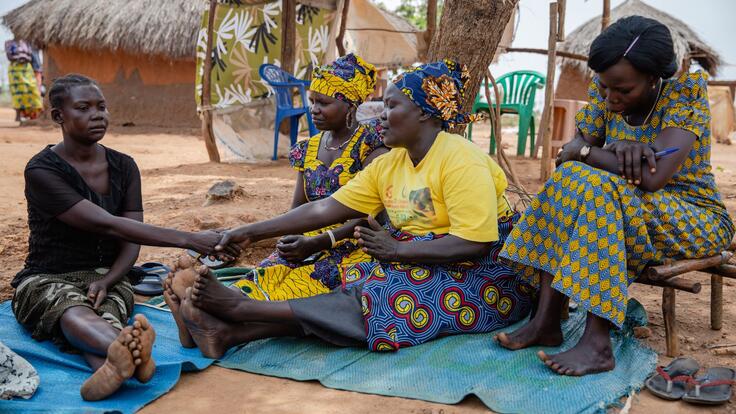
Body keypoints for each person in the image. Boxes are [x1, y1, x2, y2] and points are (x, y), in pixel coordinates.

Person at [162, 60, 532, 358]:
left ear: (425, 113)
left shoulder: (459, 159)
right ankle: (226, 334)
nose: (380, 116)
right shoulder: (390, 164)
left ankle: (242, 312)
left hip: (488, 273)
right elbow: (325, 208)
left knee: (387, 296)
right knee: (353, 280)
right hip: (424, 258)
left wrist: (398, 249)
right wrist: (249, 232)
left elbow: (477, 242)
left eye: (391, 106)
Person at [496, 16, 735, 376]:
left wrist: (595, 154)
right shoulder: (605, 90)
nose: (611, 98)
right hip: (625, 204)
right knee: (574, 179)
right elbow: (569, 154)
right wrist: (608, 153)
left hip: (692, 217)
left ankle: (597, 341)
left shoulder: (684, 94)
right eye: (606, 89)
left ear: (654, 78)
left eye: (623, 90)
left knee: (599, 187)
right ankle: (545, 319)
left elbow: (653, 177)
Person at [11, 74, 232, 400]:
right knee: (70, 309)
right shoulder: (42, 171)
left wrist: (110, 279)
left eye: (102, 107)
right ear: (58, 116)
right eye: (83, 108)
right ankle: (129, 353)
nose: (97, 115)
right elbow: (108, 225)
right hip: (47, 276)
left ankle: (112, 365)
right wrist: (189, 239)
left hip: (108, 276)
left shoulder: (124, 166)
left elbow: (130, 239)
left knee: (108, 309)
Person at [229, 53, 388, 301]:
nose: (314, 110)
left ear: (350, 105)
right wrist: (291, 241)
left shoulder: (370, 148)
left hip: (354, 246)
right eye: (312, 101)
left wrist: (320, 242)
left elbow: (374, 217)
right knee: (254, 283)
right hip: (307, 240)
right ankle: (202, 313)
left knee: (297, 289)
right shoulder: (308, 149)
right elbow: (297, 208)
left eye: (323, 103)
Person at [4, 38, 43, 123]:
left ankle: (32, 115)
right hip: (15, 70)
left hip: (26, 69)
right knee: (17, 94)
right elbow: (9, 56)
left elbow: (32, 56)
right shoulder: (8, 43)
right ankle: (19, 115)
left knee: (32, 90)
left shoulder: (27, 42)